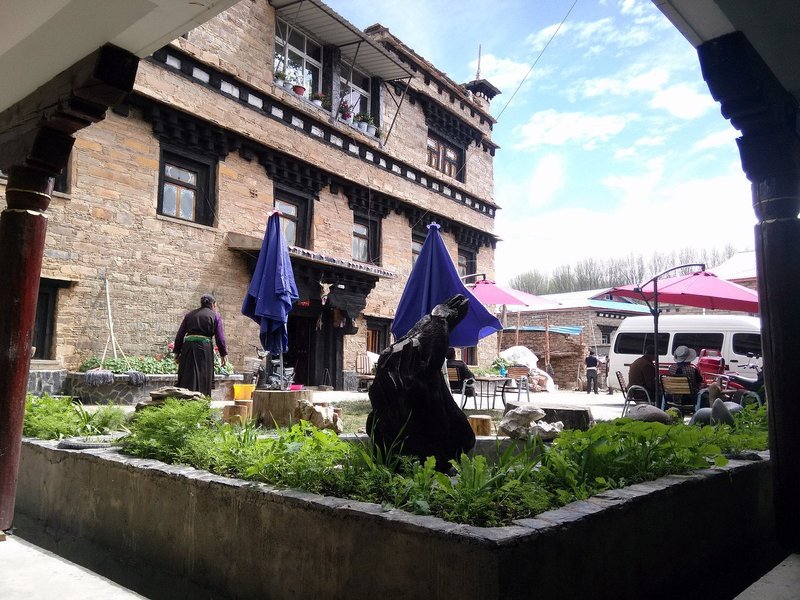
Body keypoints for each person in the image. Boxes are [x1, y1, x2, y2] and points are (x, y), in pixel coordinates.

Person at [173, 294, 228, 396]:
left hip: (188, 348)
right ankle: (202, 399)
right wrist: (223, 354)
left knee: (187, 375)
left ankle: (185, 399)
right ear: (213, 304)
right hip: (204, 349)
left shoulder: (189, 315)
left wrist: (177, 352)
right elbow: (220, 337)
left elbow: (180, 335)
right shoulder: (215, 316)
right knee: (203, 376)